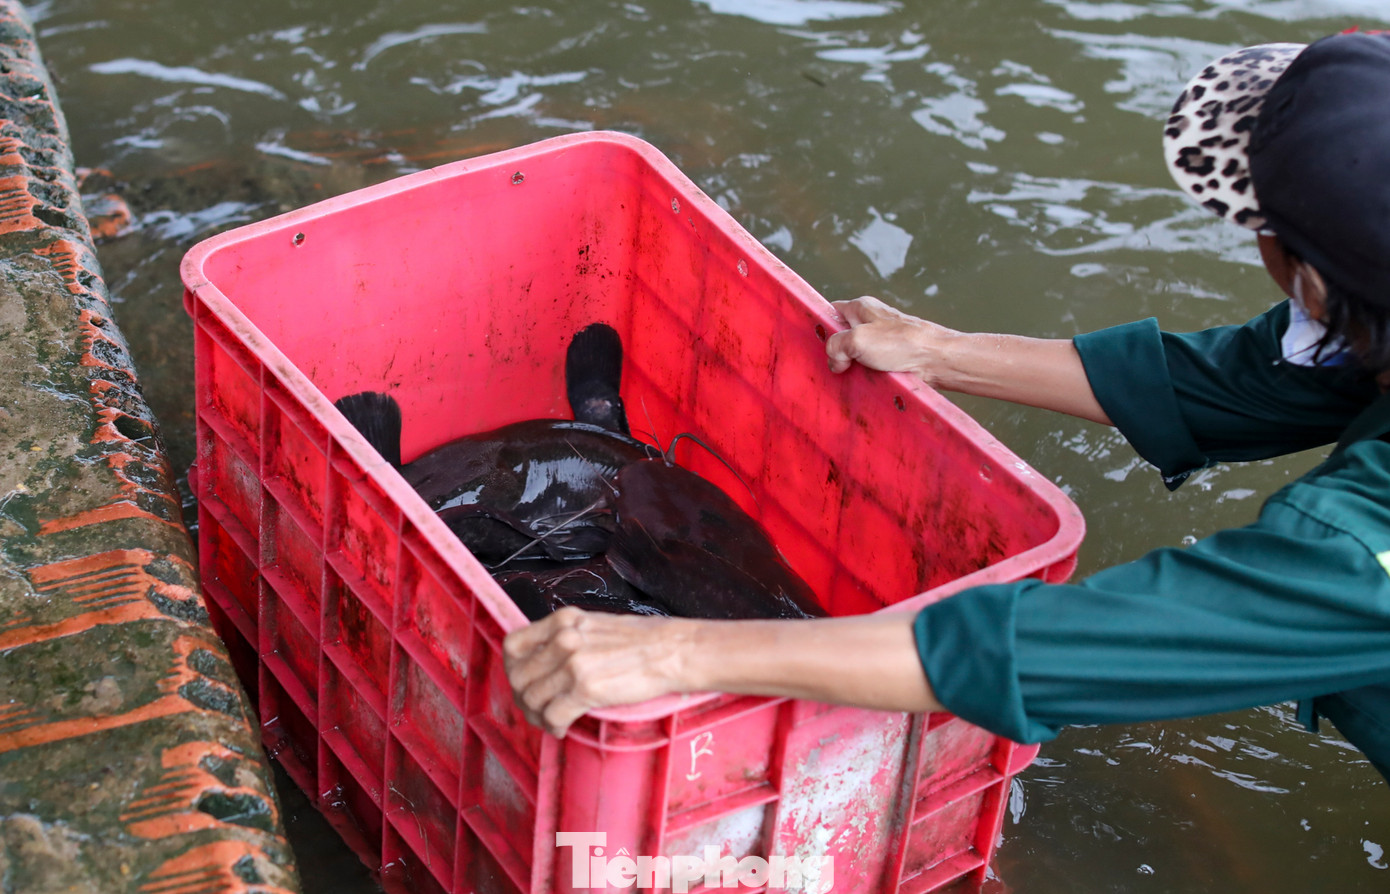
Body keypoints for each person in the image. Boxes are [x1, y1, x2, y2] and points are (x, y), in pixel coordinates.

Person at [504, 30, 1390, 781]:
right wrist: (939, 352)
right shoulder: (1366, 322)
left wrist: (674, 651)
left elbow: (1073, 651)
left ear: (1311, 282)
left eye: (1261, 221)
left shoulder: (1359, 546)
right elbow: (1249, 381)